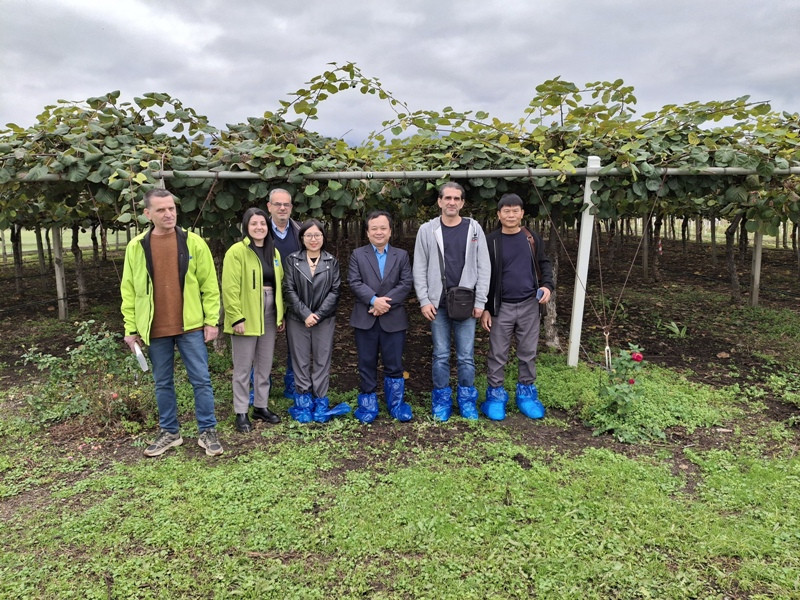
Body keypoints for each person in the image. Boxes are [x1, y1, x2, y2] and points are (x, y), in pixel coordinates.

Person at [120, 188, 223, 457]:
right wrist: (131, 329)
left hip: (190, 326)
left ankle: (207, 431)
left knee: (201, 380)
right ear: (147, 214)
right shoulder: (136, 247)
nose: (168, 214)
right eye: (161, 210)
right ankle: (170, 432)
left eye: (171, 208)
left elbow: (209, 285)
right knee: (162, 381)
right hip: (155, 329)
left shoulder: (194, 242)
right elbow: (129, 290)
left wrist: (212, 321)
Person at [413, 182, 491, 421]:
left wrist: (481, 301)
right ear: (439, 201)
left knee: (466, 356)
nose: (452, 202)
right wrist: (424, 299)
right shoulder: (427, 230)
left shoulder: (474, 229)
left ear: (463, 203)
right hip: (438, 304)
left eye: (457, 199)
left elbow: (483, 266)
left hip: (467, 304)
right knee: (441, 354)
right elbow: (420, 266)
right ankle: (442, 400)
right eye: (447, 198)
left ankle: (467, 401)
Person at [480, 193, 553, 420]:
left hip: (529, 304)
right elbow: (483, 275)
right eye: (506, 211)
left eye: (515, 211)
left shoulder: (531, 238)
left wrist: (548, 286)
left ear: (522, 213)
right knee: (497, 353)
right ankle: (495, 395)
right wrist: (485, 307)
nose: (511, 215)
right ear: (499, 214)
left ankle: (526, 394)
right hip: (501, 307)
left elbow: (544, 263)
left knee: (528, 352)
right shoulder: (490, 241)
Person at [222, 207, 285, 433]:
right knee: (242, 367)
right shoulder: (237, 251)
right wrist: (236, 316)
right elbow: (229, 288)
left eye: (262, 224)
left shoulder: (273, 253)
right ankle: (241, 411)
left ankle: (261, 406)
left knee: (264, 364)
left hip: (269, 314)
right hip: (245, 314)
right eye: (254, 224)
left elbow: (279, 285)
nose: (259, 228)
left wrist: (280, 314)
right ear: (246, 227)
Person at [349, 211, 414, 423]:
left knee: (394, 363)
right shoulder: (358, 255)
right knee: (366, 361)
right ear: (367, 233)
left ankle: (396, 404)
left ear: (390, 231)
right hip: (365, 318)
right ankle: (368, 404)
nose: (379, 232)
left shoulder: (401, 255)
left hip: (393, 318)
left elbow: (405, 284)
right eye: (374, 228)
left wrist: (383, 303)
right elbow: (355, 282)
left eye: (383, 228)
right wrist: (373, 300)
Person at [283, 219, 351, 423]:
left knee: (322, 360)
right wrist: (305, 314)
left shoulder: (331, 261)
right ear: (302, 238)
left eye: (318, 235)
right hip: (298, 319)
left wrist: (318, 314)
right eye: (309, 235)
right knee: (300, 360)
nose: (313, 239)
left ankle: (321, 401)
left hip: (324, 319)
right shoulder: (292, 260)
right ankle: (303, 403)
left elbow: (335, 290)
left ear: (323, 237)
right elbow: (288, 289)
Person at [267, 188, 301, 399]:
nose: (282, 208)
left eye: (286, 204)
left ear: (291, 207)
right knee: (263, 342)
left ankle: (292, 385)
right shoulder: (259, 229)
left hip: (295, 295)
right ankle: (262, 386)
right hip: (267, 296)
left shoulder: (299, 231)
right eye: (277, 204)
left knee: (295, 342)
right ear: (269, 207)